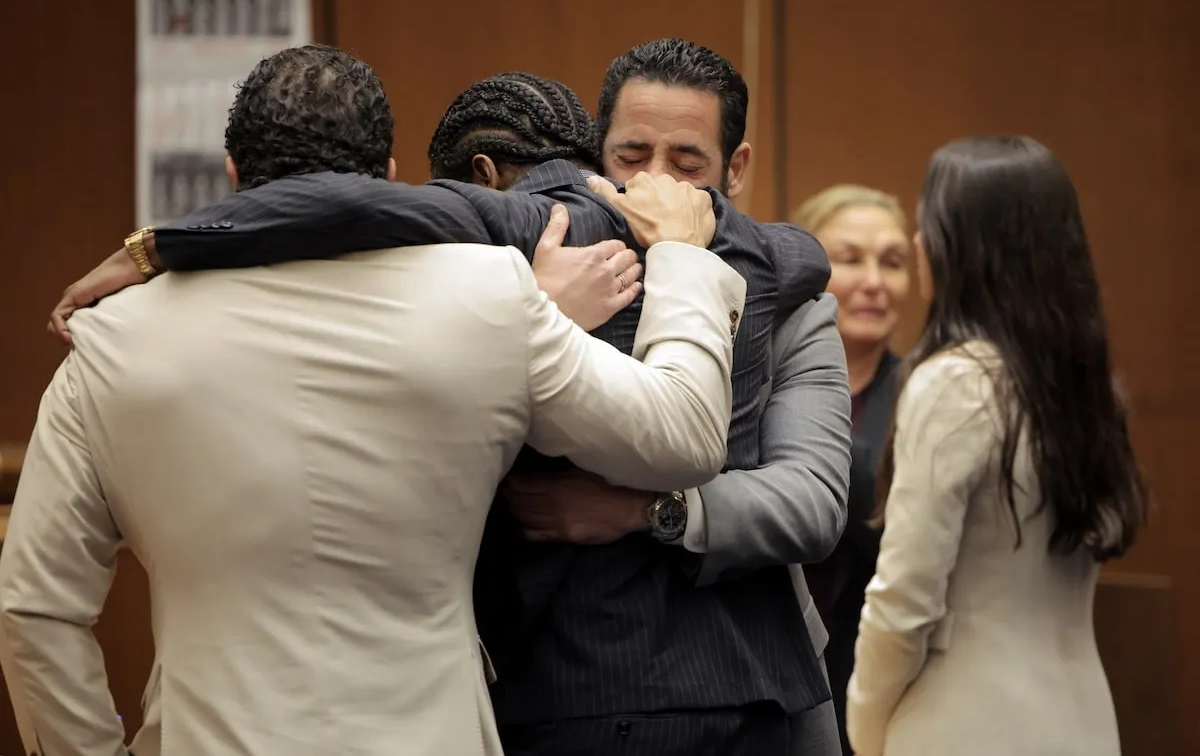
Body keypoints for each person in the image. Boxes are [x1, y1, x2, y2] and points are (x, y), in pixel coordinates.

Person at [50, 53, 849, 755]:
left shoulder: (110, 341)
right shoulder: (494, 294)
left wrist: (166, 244)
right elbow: (678, 429)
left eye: (686, 160)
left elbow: (36, 608)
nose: (655, 185)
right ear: (392, 171)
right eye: (632, 156)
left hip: (208, 734)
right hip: (458, 723)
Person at [846, 136, 1147, 756]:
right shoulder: (1086, 388)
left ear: (965, 248)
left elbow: (904, 600)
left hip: (964, 723)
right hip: (1084, 722)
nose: (918, 243)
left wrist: (866, 730)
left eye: (928, 222)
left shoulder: (956, 381)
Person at [792, 184, 910, 754]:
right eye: (850, 257)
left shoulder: (926, 395)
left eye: (892, 262)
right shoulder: (760, 386)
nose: (874, 282)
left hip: (877, 678)